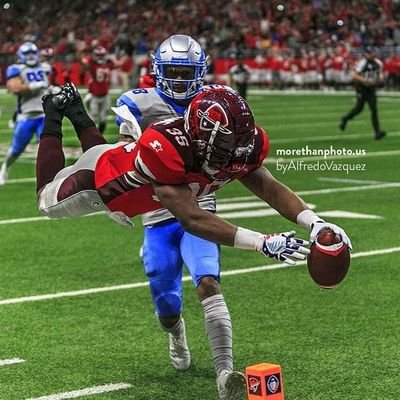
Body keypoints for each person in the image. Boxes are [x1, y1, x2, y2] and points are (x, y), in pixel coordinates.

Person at [37, 83, 351, 400]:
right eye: (226, 147)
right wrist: (261, 241)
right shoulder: (166, 146)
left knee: (103, 153)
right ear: (201, 138)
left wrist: (315, 222)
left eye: (238, 145)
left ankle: (77, 111)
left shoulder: (240, 145)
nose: (234, 155)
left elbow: (267, 186)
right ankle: (54, 112)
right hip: (101, 185)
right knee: (46, 197)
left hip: (126, 171)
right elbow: (192, 218)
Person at [114, 34, 247, 400]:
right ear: (158, 70)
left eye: (184, 71)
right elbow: (124, 158)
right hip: (158, 216)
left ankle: (225, 373)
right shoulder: (138, 104)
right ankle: (176, 332)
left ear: (199, 72)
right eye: (171, 70)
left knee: (208, 282)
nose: (177, 78)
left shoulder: (215, 103)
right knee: (167, 305)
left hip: (201, 210)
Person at [0, 42, 52, 185]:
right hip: (26, 117)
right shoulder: (16, 69)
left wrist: (53, 90)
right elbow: (13, 88)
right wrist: (31, 86)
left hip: (44, 115)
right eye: (27, 53)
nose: (30, 56)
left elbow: (47, 86)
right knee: (16, 150)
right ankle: (5, 167)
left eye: (32, 53)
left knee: (48, 147)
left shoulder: (45, 67)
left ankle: (48, 176)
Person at [339, 46, 386, 140]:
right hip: (361, 88)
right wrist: (364, 80)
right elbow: (353, 74)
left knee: (374, 109)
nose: (372, 55)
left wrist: (380, 77)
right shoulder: (362, 63)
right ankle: (345, 118)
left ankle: (377, 132)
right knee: (359, 109)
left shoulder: (378, 63)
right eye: (370, 53)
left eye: (372, 53)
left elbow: (380, 73)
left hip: (371, 88)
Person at [81, 46, 115, 133]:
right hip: (94, 95)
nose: (100, 57)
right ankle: (91, 136)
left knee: (103, 119)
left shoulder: (108, 63)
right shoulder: (92, 64)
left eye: (102, 55)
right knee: (93, 117)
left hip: (105, 94)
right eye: (98, 55)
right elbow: (84, 63)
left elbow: (117, 64)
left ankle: (99, 136)